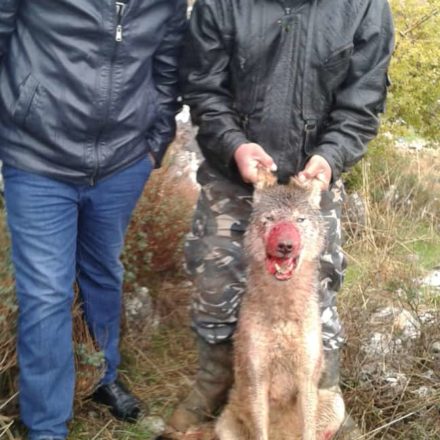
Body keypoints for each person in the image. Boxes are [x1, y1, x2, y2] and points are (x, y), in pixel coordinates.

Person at [168, 0, 394, 435]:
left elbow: (362, 103)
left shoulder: (364, 7)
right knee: (215, 279)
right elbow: (203, 88)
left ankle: (321, 393)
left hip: (313, 181)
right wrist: (234, 145)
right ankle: (217, 382)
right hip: (234, 172)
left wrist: (331, 157)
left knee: (317, 288)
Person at [0, 1, 186, 439]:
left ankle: (100, 375)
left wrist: (155, 144)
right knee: (46, 293)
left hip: (123, 160)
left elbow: (168, 64)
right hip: (36, 156)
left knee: (103, 270)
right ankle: (47, 425)